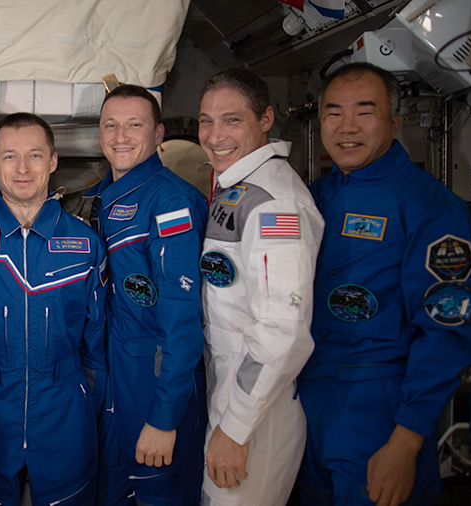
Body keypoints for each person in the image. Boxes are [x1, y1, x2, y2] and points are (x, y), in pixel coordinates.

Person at [298, 62, 471, 506]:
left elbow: (446, 331)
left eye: (364, 112)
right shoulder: (315, 195)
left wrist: (406, 440)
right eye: (333, 113)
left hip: (378, 405)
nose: (346, 127)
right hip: (309, 400)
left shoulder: (430, 207)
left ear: (394, 121)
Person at [0, 112, 107, 506]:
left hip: (65, 411)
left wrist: (95, 407)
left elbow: (97, 342)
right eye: (9, 156)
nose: (22, 168)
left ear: (53, 161)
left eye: (35, 156)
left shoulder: (86, 244)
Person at [196, 68, 323, 506]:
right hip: (233, 390)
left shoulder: (275, 203)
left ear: (265, 119)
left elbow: (282, 331)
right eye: (205, 121)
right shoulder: (239, 188)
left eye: (231, 120)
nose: (214, 136)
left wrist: (236, 428)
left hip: (255, 410)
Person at [85, 85, 208, 506]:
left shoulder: (169, 199)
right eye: (111, 125)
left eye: (134, 125)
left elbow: (182, 315)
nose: (121, 136)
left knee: (160, 493)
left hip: (154, 380)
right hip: (115, 376)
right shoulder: (108, 197)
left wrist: (165, 415)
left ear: (158, 135)